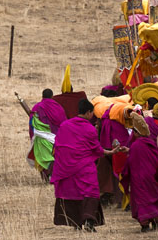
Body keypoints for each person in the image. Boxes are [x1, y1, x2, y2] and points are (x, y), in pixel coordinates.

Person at [52, 98, 125, 231]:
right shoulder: (89, 128)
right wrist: (111, 152)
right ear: (88, 112)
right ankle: (89, 220)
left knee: (73, 193)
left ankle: (75, 223)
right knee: (90, 192)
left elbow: (58, 146)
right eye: (92, 113)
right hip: (85, 168)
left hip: (67, 168)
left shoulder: (65, 126)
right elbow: (97, 150)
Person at [126, 112, 158, 232]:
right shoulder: (151, 143)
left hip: (140, 179)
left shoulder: (136, 145)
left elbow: (131, 162)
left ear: (137, 133)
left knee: (142, 200)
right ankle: (155, 221)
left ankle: (145, 224)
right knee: (153, 196)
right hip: (152, 176)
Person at [28, 89, 65, 182]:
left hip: (41, 137)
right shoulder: (58, 107)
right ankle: (54, 176)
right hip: (56, 137)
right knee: (55, 156)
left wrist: (32, 135)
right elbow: (63, 121)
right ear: (52, 96)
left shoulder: (37, 107)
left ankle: (46, 177)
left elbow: (32, 123)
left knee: (43, 157)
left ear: (42, 96)